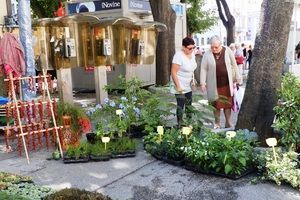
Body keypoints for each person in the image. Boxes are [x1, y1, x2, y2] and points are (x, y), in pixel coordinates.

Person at [200, 36, 240, 129]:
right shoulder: (207, 54)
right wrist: (202, 83)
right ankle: (217, 123)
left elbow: (234, 64)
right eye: (212, 47)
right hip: (214, 84)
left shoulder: (228, 51)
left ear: (220, 45)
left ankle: (228, 122)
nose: (214, 49)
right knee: (216, 104)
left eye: (216, 47)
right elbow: (203, 69)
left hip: (227, 83)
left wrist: (238, 77)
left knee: (227, 104)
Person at [171, 37, 197, 126]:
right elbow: (173, 72)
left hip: (188, 83)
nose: (192, 50)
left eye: (193, 47)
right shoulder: (178, 56)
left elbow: (192, 68)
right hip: (179, 82)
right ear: (183, 47)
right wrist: (178, 86)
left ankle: (189, 124)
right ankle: (180, 124)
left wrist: (193, 80)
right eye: (190, 48)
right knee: (180, 104)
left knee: (189, 104)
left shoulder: (192, 54)